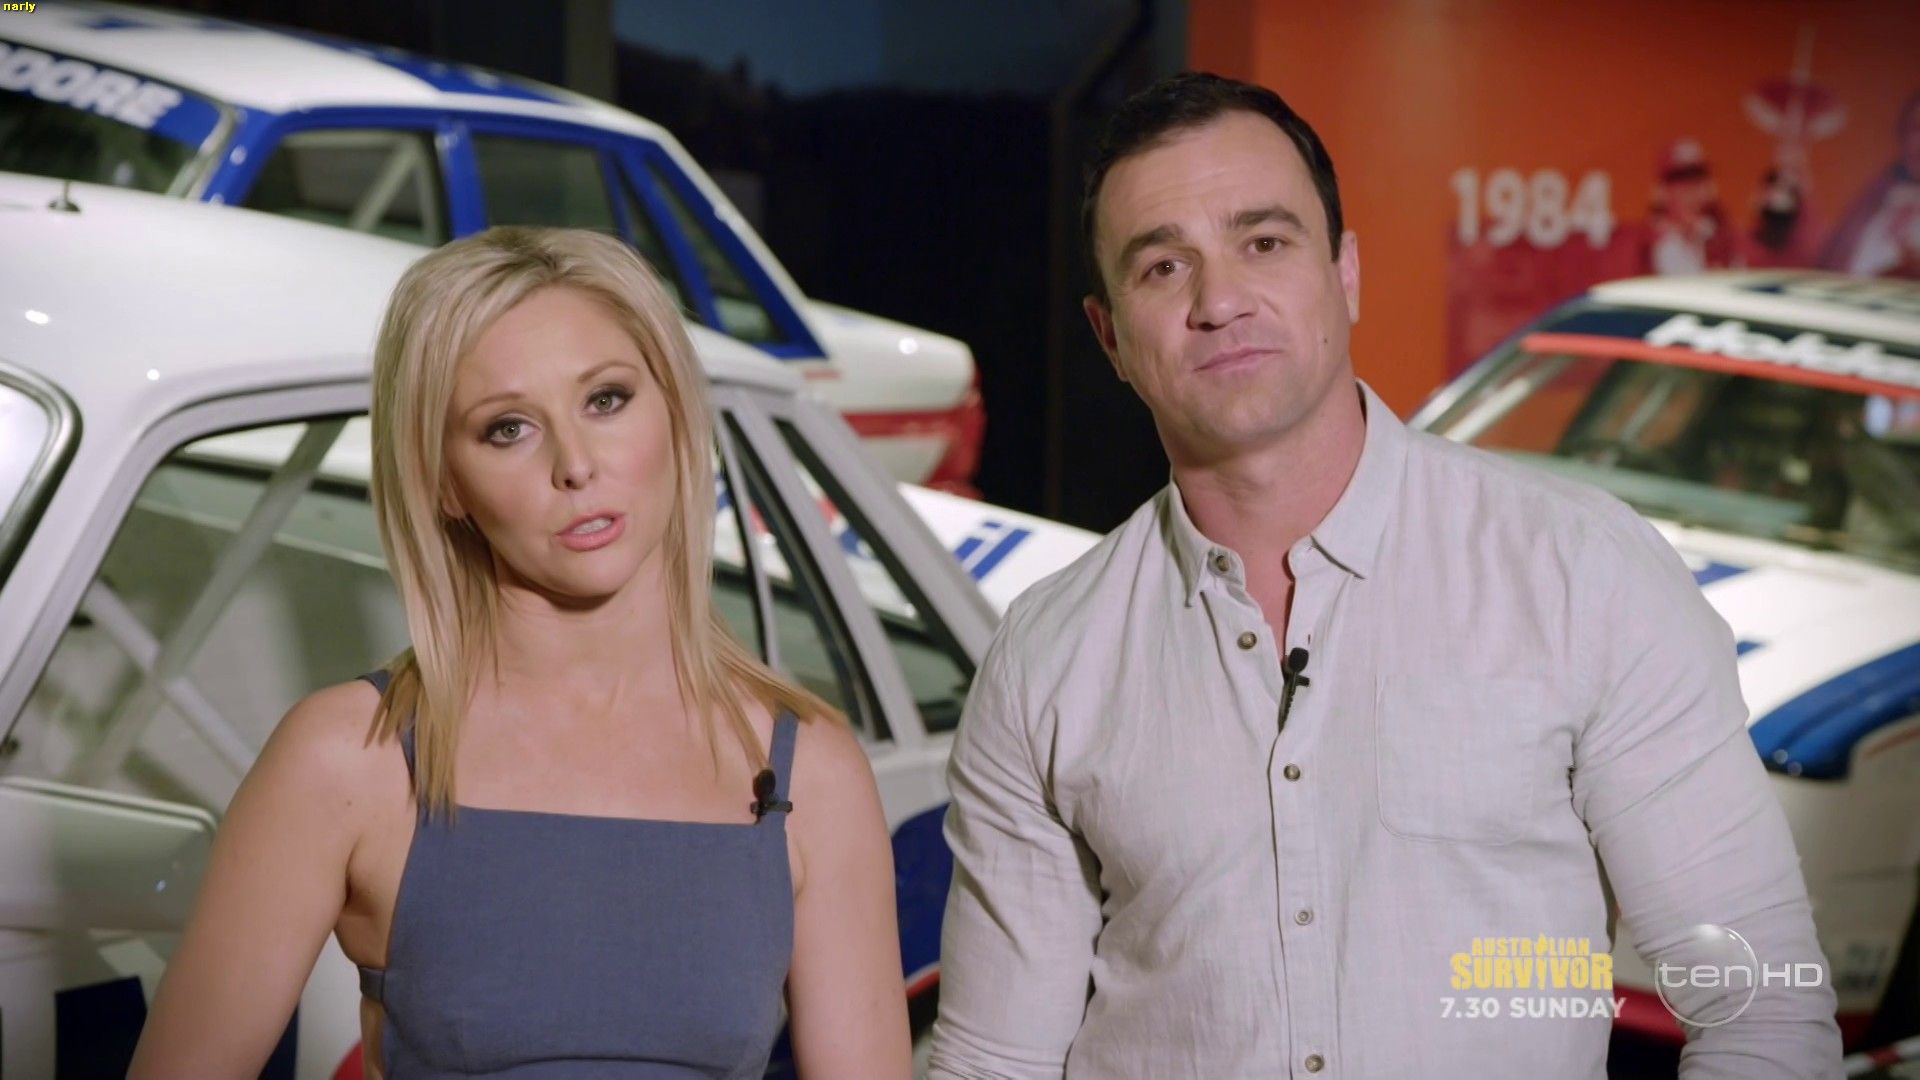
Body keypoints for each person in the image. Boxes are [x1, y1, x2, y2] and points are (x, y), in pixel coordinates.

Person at [926, 73, 1840, 1079]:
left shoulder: (1584, 576)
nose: (1219, 301)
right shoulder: (1048, 657)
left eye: (1263, 243)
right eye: (1164, 266)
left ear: (1345, 274)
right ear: (1111, 338)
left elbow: (1761, 1012)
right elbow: (994, 1061)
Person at [129, 227, 912, 1079]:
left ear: (677, 413)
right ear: (443, 481)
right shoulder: (347, 761)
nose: (576, 465)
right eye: (507, 429)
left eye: (606, 400)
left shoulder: (812, 773)